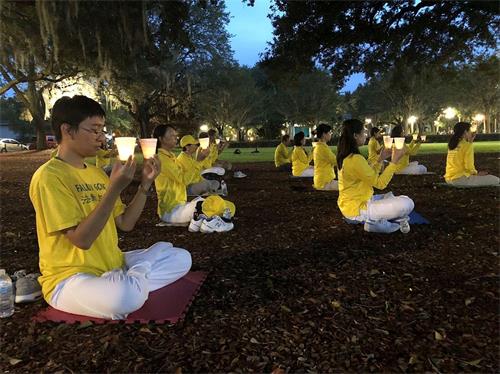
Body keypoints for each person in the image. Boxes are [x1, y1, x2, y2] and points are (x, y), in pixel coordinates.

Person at [29, 95, 192, 320]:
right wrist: (114, 189)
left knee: (182, 258)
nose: (101, 137)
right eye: (94, 130)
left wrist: (145, 183)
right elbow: (81, 240)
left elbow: (125, 223)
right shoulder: (49, 177)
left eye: (102, 130)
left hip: (112, 263)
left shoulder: (96, 173)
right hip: (70, 277)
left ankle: (131, 276)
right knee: (125, 298)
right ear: (67, 130)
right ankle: (135, 275)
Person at [152, 124, 235, 231]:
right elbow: (183, 179)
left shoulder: (171, 157)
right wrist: (199, 161)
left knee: (227, 205)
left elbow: (191, 175)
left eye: (175, 135)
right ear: (161, 139)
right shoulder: (161, 158)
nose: (175, 137)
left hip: (181, 205)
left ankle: (206, 219)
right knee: (216, 206)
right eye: (171, 135)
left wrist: (199, 162)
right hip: (171, 211)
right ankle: (208, 224)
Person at [337, 119, 414, 233]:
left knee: (390, 196)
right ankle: (373, 222)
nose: (365, 135)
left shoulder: (347, 156)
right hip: (358, 210)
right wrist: (394, 162)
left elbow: (370, 175)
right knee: (407, 203)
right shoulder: (355, 159)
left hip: (353, 204)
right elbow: (380, 184)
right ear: (355, 135)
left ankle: (377, 221)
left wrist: (380, 159)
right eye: (363, 132)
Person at [444, 122, 499, 187]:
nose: (471, 132)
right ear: (465, 132)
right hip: (461, 179)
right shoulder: (467, 146)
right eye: (469, 130)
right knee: (496, 180)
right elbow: (468, 166)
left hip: (448, 179)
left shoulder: (452, 145)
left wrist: (470, 142)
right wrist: (476, 174)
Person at [313, 124, 338, 191]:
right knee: (350, 187)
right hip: (325, 183)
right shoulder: (322, 148)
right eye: (329, 132)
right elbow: (336, 161)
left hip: (322, 181)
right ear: (324, 134)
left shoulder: (320, 147)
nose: (331, 134)